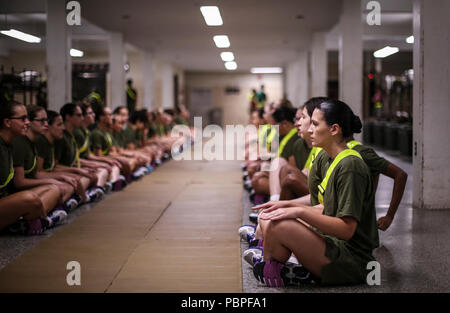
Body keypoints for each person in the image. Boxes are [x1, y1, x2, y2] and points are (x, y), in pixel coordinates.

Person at [252, 99, 379, 287]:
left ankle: (285, 267)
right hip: (329, 242)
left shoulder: (351, 165)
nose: (308, 129)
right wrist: (284, 205)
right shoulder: (324, 157)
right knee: (269, 216)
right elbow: (324, 206)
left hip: (351, 259)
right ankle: (286, 268)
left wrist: (299, 212)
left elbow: (346, 229)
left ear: (334, 129)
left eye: (315, 124)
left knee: (279, 225)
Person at [0, 101, 60, 235]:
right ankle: (42, 221)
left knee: (53, 189)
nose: (27, 122)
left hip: (6, 200)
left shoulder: (9, 144)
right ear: (8, 123)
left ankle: (24, 223)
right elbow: (19, 182)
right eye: (23, 119)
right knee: (29, 198)